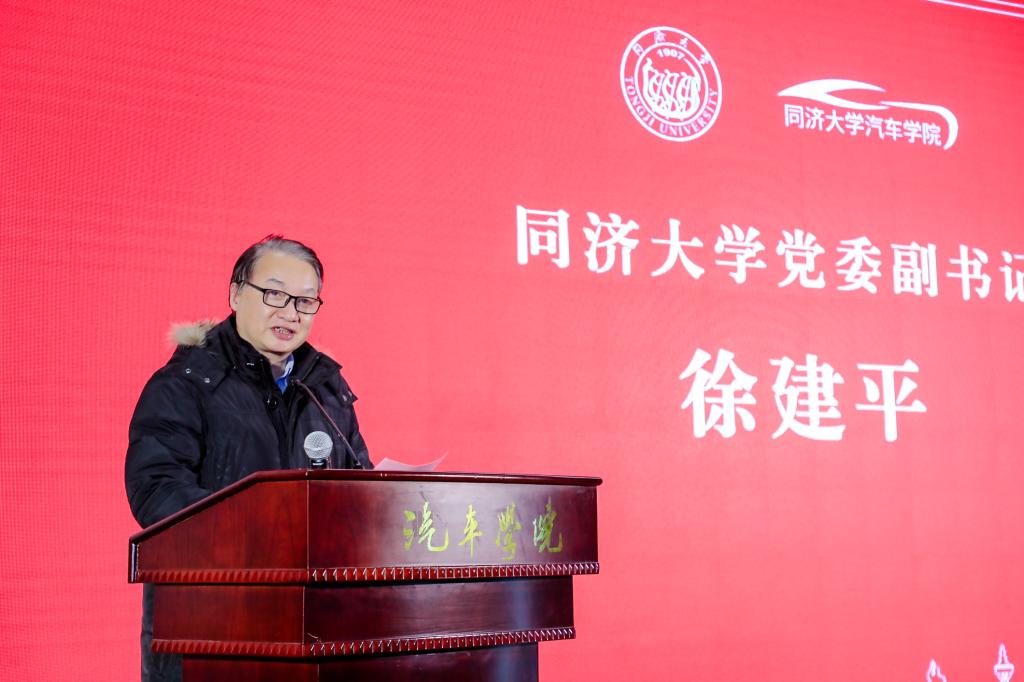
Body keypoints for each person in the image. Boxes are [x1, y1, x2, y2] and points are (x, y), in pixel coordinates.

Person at [124, 235, 371, 682]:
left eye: (306, 301)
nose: (291, 312)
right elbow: (156, 491)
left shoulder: (325, 389)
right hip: (209, 626)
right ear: (236, 294)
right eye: (274, 294)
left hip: (312, 628)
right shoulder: (185, 383)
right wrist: (265, 529)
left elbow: (359, 489)